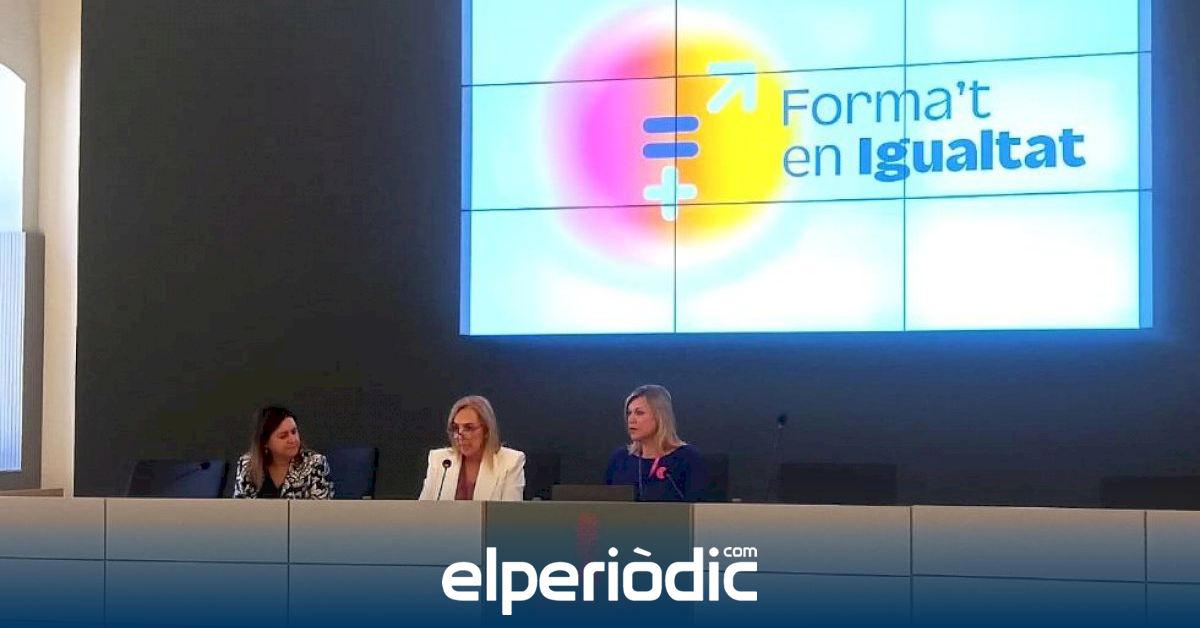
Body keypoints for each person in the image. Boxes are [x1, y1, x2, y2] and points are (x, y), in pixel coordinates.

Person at [604, 384, 707, 502]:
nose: (631, 420)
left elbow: (698, 507)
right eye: (629, 413)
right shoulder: (620, 459)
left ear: (660, 416)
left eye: (639, 413)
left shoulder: (687, 458)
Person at [419, 395, 526, 501]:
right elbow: (422, 508)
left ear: (486, 430)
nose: (459, 435)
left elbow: (511, 511)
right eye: (456, 428)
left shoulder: (511, 462)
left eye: (469, 428)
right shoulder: (440, 460)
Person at [233, 406, 333, 499]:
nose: (293, 440)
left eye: (294, 432)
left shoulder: (315, 463)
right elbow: (239, 508)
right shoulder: (247, 465)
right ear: (265, 442)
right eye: (283, 436)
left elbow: (321, 509)